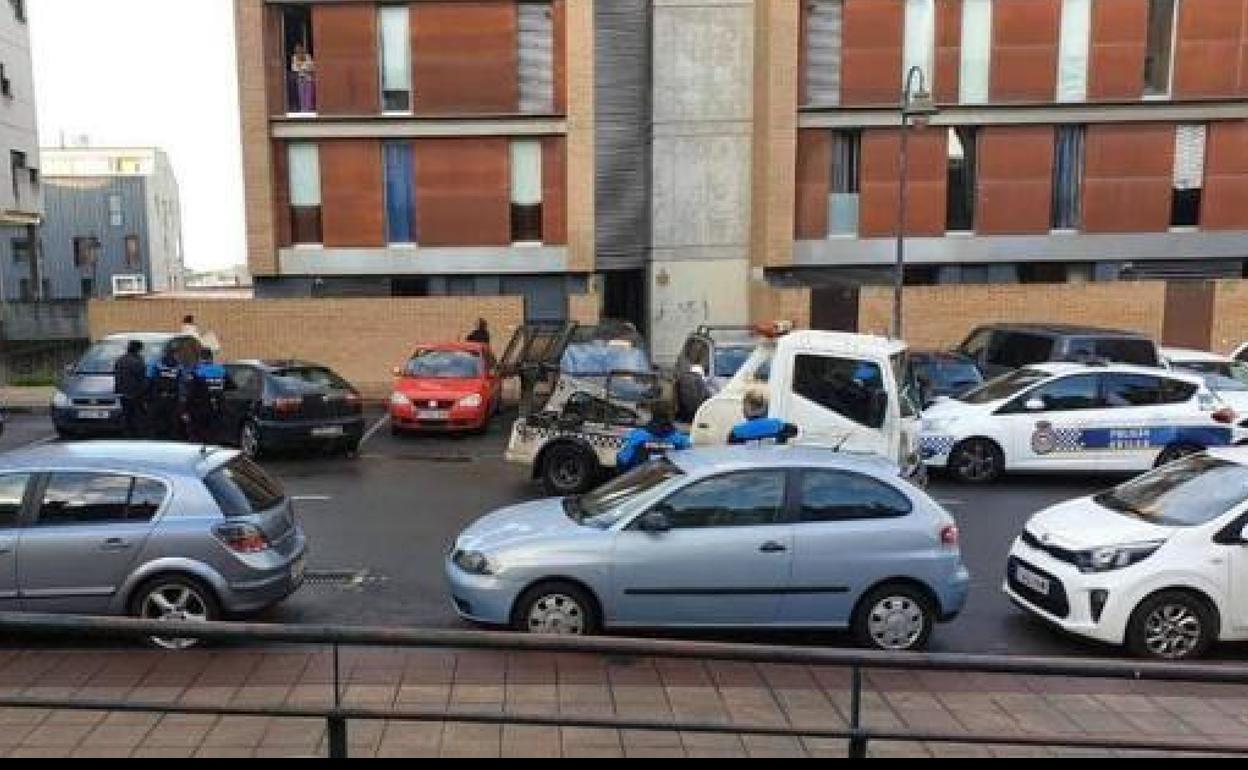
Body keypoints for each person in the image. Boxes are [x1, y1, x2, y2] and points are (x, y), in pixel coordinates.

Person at [616, 401, 692, 472]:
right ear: (670, 416)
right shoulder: (681, 440)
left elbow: (622, 461)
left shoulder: (637, 436)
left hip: (641, 479)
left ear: (652, 415)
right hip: (670, 482)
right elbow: (688, 465)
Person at [728, 390, 798, 446]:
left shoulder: (737, 432)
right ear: (766, 410)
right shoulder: (779, 425)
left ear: (745, 411)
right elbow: (795, 430)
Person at [187, 349, 227, 444]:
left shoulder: (198, 371)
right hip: (218, 407)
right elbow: (232, 385)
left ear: (201, 358)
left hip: (201, 408)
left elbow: (192, 392)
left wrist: (187, 409)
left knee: (198, 436)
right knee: (214, 436)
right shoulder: (221, 370)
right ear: (211, 357)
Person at [148, 346, 188, 441]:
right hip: (173, 398)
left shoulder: (157, 365)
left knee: (155, 421)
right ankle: (171, 439)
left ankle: (155, 439)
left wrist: (149, 396)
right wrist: (182, 397)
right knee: (172, 421)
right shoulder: (179, 366)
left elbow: (150, 379)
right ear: (174, 354)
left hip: (158, 397)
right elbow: (183, 381)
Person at [113, 339, 148, 439]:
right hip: (136, 393)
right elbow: (142, 378)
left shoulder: (120, 359)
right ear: (138, 349)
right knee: (138, 416)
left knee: (126, 415)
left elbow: (116, 374)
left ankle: (127, 435)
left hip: (122, 392)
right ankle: (138, 436)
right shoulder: (138, 360)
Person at [291, 43, 316, 112]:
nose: (298, 50)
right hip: (300, 78)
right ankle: (303, 110)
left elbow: (311, 67)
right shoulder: (294, 57)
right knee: (301, 94)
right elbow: (294, 68)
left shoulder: (307, 56)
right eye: (297, 49)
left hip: (308, 78)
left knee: (308, 94)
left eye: (299, 49)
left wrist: (301, 66)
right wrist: (304, 66)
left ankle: (308, 109)